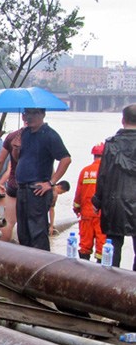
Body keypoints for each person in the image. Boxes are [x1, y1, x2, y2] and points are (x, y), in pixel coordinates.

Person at [12, 108, 71, 251]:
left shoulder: (49, 135)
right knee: (23, 230)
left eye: (34, 113)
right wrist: (15, 148)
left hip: (37, 189)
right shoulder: (24, 133)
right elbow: (18, 159)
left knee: (37, 231)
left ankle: (40, 264)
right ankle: (26, 264)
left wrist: (51, 183)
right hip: (22, 187)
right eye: (27, 113)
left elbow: (66, 159)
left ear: (42, 115)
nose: (29, 117)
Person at [92, 104, 136, 269]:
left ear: (123, 120)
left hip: (114, 201)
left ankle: (111, 284)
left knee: (113, 246)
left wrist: (97, 201)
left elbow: (103, 174)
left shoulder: (111, 144)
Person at [0, 123, 24, 242]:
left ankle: (2, 249)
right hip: (32, 186)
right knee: (29, 223)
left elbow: (0, 161)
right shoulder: (39, 136)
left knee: (8, 221)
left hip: (14, 184)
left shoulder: (12, 137)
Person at [73, 143, 106, 261]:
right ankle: (101, 274)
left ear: (94, 156)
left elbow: (78, 194)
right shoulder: (107, 172)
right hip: (101, 214)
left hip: (86, 214)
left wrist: (76, 208)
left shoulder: (85, 171)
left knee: (84, 245)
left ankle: (83, 272)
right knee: (102, 246)